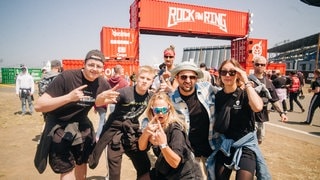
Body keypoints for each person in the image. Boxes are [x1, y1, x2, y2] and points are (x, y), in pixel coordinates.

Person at [34, 49, 120, 180]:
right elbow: (38, 106)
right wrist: (68, 97)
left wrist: (99, 101)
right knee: (66, 169)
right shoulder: (67, 77)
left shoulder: (101, 83)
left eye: (98, 66)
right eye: (91, 65)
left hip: (82, 126)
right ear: (84, 64)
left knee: (82, 162)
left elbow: (117, 99)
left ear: (103, 68)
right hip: (59, 125)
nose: (94, 69)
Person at [88, 65, 156, 180]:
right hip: (115, 132)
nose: (144, 81)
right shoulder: (125, 93)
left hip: (132, 132)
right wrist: (100, 98)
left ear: (152, 81)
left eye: (148, 79)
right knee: (113, 173)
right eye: (142, 77)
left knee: (144, 166)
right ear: (136, 78)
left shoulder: (150, 96)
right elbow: (99, 103)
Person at [207, 59, 271, 180]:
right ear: (219, 74)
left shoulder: (246, 93)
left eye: (232, 72)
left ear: (238, 74)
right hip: (225, 144)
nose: (227, 75)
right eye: (223, 72)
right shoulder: (217, 96)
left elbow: (258, 107)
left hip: (245, 144)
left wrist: (246, 80)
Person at [169, 61, 218, 178]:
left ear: (196, 79)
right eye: (184, 77)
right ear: (177, 78)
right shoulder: (170, 100)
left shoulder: (208, 89)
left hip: (211, 145)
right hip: (188, 149)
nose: (188, 80)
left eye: (192, 77)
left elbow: (227, 93)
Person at [138, 92, 203, 179]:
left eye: (164, 110)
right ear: (152, 109)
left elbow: (175, 162)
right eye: (157, 110)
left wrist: (163, 145)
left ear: (169, 108)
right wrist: (146, 133)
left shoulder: (176, 129)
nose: (160, 113)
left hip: (185, 175)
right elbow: (141, 147)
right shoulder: (153, 125)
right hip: (166, 171)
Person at [248, 56, 287, 144]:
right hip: (248, 115)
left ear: (265, 66)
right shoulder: (247, 80)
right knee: (248, 141)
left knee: (259, 141)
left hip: (261, 116)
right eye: (257, 64)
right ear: (253, 65)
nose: (260, 66)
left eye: (262, 64)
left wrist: (282, 113)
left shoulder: (268, 83)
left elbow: (274, 100)